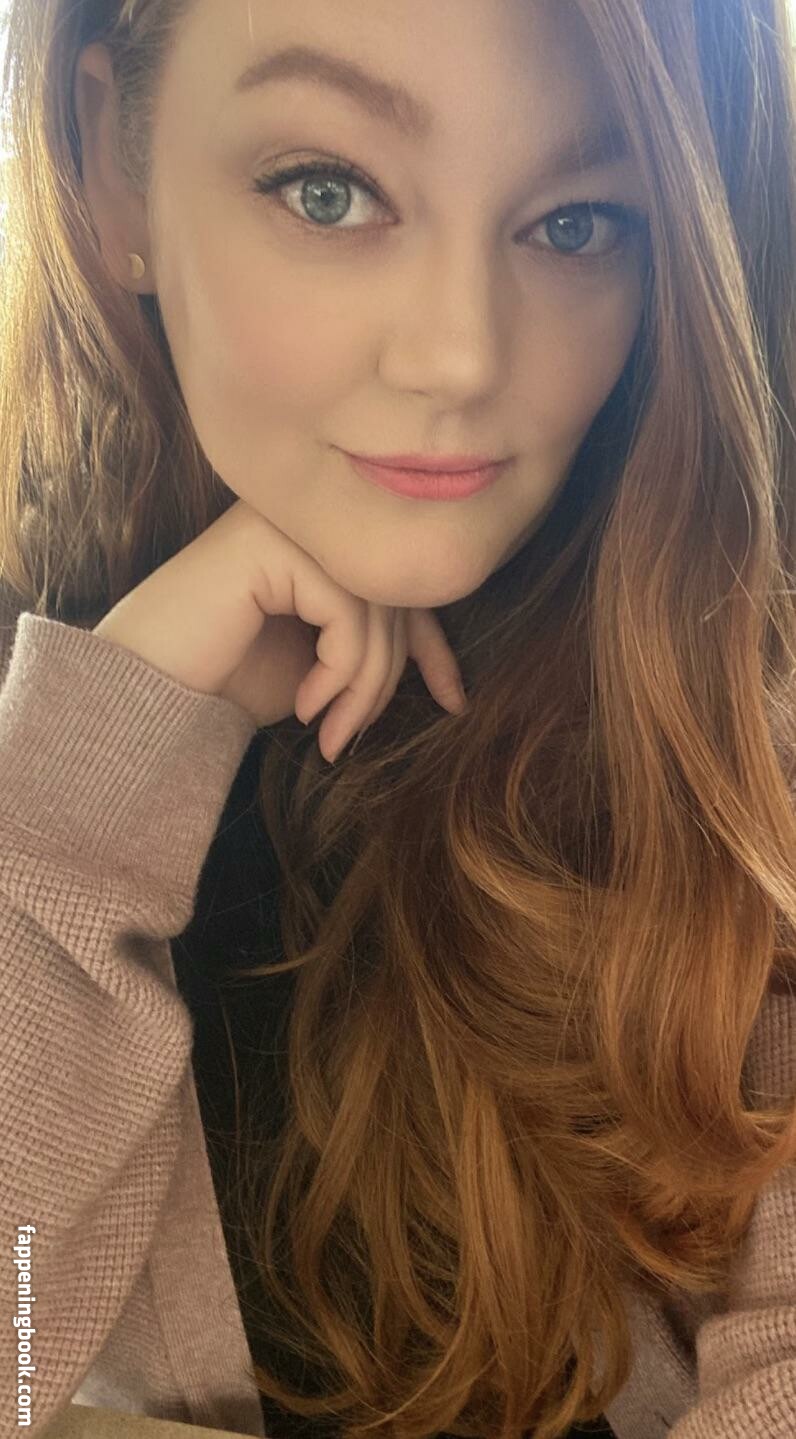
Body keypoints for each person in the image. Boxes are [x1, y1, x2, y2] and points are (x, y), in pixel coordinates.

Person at [0, 0, 795, 1437]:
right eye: (329, 191)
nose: (460, 357)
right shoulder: (29, 738)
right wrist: (87, 785)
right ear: (115, 172)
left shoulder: (740, 740)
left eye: (576, 225)